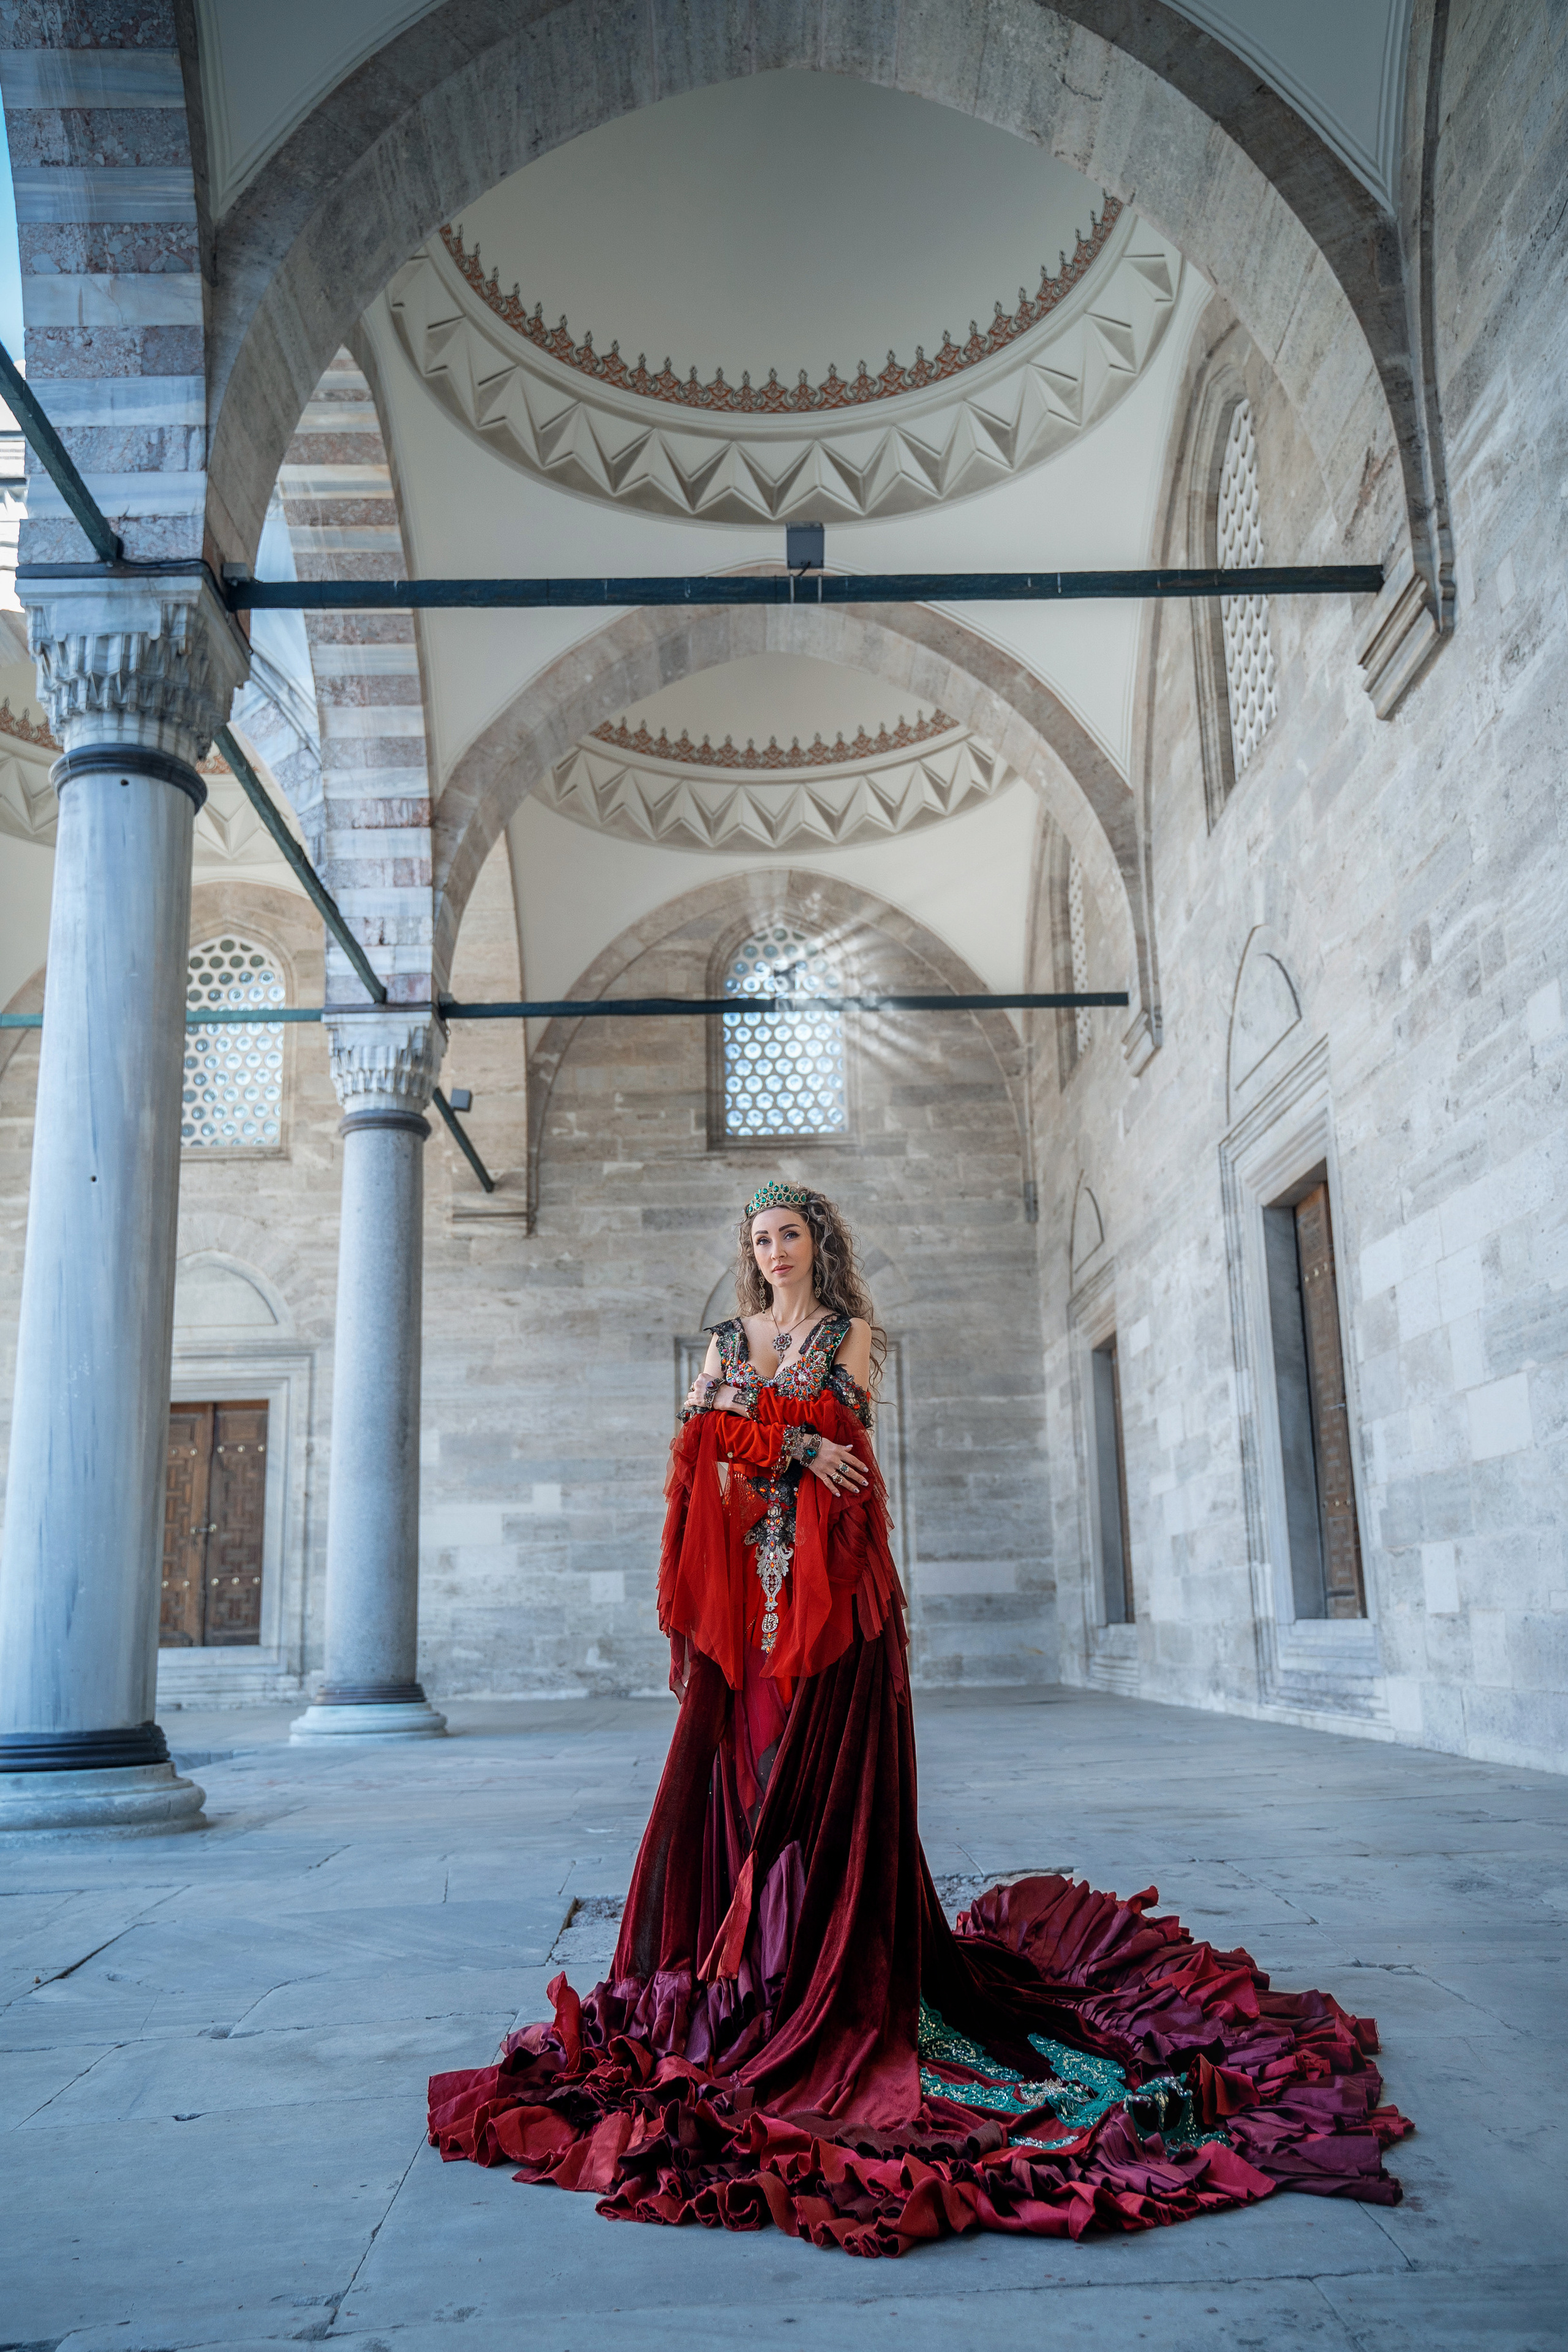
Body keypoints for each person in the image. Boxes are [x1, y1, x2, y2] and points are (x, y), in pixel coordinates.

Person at [429, 1180, 1410, 2255]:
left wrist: (762, 1431)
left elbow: (828, 1444)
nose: (775, 1252)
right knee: (743, 1776)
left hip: (827, 1600)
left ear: (818, 1242)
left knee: (817, 1783)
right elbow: (705, 1442)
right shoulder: (728, 1334)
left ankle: (822, 1969)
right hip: (746, 1607)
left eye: (790, 1234)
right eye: (760, 1240)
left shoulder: (851, 1336)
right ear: (748, 1252)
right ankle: (747, 1968)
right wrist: (788, 1447)